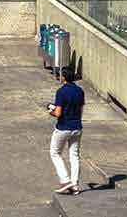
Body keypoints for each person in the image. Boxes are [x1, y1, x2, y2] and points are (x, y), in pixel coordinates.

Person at [48, 64, 86, 195]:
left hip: (63, 127)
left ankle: (65, 180)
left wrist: (51, 111)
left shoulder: (61, 92)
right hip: (77, 127)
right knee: (74, 155)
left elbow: (58, 113)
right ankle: (75, 185)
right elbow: (80, 109)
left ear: (63, 77)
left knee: (55, 153)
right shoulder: (80, 91)